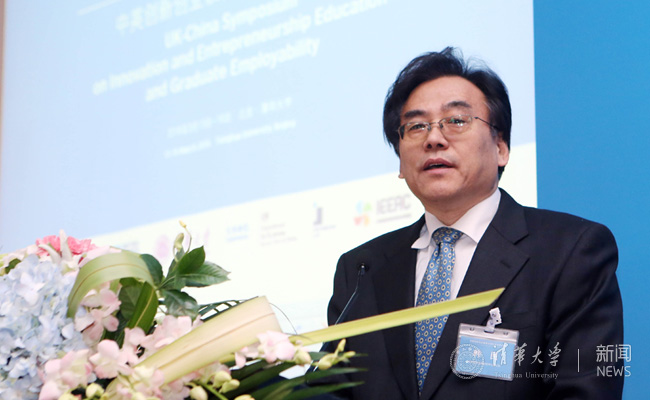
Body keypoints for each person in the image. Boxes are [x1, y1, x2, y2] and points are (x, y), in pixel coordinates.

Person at [325, 47, 624, 399]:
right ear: (401, 163)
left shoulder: (571, 250)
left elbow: (587, 389)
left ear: (501, 147)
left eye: (456, 120)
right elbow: (330, 390)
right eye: (416, 126)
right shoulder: (361, 270)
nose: (433, 139)